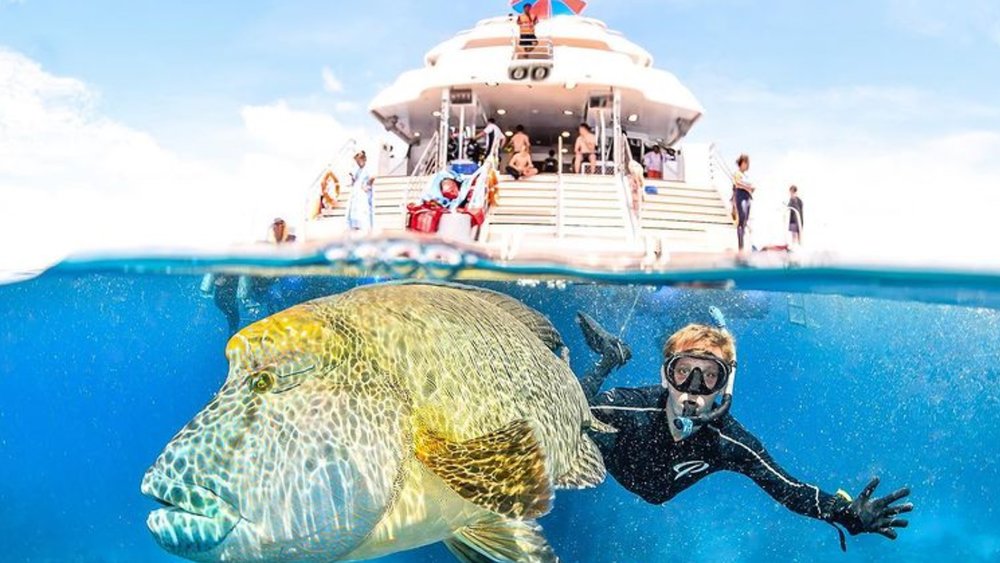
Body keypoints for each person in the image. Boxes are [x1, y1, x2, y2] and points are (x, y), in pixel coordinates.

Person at [574, 313, 914, 552]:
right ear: (666, 376)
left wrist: (845, 513)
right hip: (615, 456)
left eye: (709, 377)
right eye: (683, 372)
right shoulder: (633, 408)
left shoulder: (728, 441)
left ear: (724, 386)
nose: (693, 390)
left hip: (655, 488)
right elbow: (570, 404)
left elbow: (789, 487)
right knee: (581, 417)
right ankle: (610, 356)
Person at [346, 150, 375, 232]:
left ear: (364, 159)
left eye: (359, 161)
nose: (358, 163)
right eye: (357, 161)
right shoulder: (359, 170)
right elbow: (356, 180)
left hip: (363, 193)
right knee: (355, 210)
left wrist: (368, 185)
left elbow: (373, 176)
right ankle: (355, 226)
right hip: (357, 192)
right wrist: (352, 178)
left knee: (364, 210)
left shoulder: (367, 168)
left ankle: (366, 228)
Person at [731, 153, 755, 252]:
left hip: (748, 196)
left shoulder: (746, 175)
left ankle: (743, 244)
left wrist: (751, 188)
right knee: (742, 218)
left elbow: (751, 185)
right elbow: (737, 184)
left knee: (745, 220)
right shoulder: (737, 173)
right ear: (742, 163)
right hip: (741, 196)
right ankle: (740, 247)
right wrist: (748, 187)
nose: (747, 165)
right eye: (746, 163)